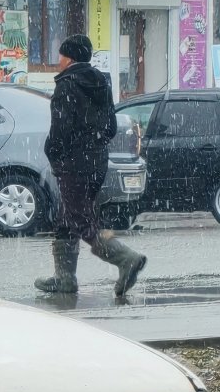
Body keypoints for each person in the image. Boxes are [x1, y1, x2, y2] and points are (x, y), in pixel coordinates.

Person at [35, 34, 148, 299]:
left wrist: (54, 152)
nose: (58, 60)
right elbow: (110, 127)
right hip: (97, 161)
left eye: (61, 55)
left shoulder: (66, 86)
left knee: (81, 220)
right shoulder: (101, 83)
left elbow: (60, 131)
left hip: (73, 164)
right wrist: (93, 145)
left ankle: (126, 259)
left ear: (70, 58)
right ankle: (65, 278)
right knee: (67, 216)